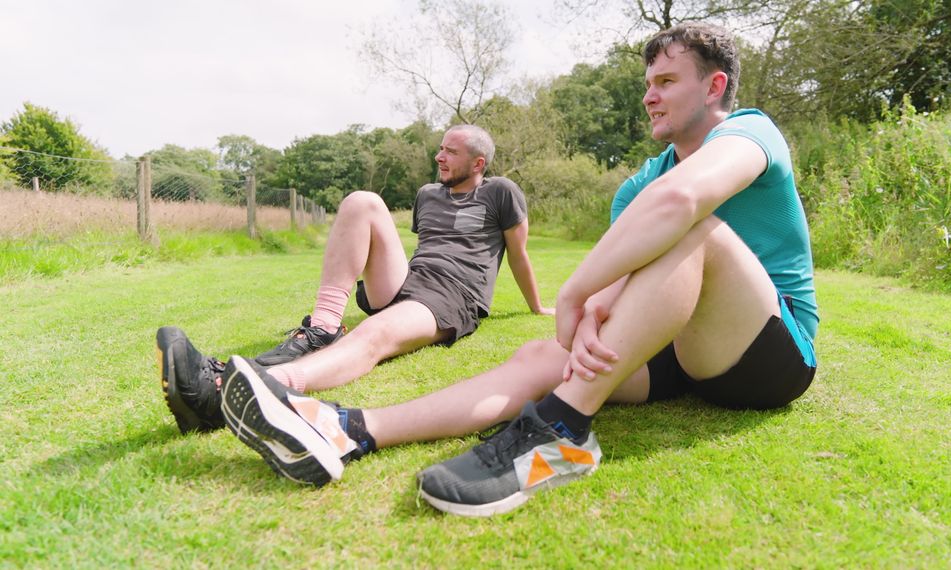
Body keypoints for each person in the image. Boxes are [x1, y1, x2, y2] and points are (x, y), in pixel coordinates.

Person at [214, 21, 819, 516]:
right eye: (647, 82)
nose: (648, 95)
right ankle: (350, 428)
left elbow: (681, 206)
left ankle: (563, 434)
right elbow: (627, 275)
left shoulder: (750, 132)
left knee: (698, 232)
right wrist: (593, 313)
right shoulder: (640, 181)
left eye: (665, 81)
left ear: (715, 87)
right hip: (682, 354)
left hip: (770, 354)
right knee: (537, 357)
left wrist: (578, 291)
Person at [157, 124, 552, 435]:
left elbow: (518, 254)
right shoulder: (428, 194)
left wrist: (536, 307)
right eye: (441, 147)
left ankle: (229, 394)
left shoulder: (501, 192)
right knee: (363, 200)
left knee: (373, 336)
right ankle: (325, 327)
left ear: (478, 163)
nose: (439, 156)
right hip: (409, 281)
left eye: (451, 151)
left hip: (453, 294)